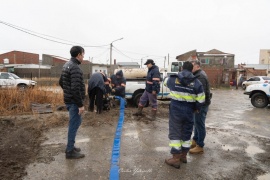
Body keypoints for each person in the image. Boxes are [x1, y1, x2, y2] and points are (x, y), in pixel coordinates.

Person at [164, 61, 205, 169]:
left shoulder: (173, 79)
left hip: (176, 111)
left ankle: (175, 158)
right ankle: (183, 156)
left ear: (182, 68)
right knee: (186, 133)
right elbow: (201, 100)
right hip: (189, 111)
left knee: (175, 133)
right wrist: (196, 108)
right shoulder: (197, 83)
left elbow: (164, 82)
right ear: (192, 70)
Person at [59, 46, 86, 159]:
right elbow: (75, 88)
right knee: (74, 125)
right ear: (79, 55)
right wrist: (80, 105)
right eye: (83, 54)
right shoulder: (75, 68)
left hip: (70, 100)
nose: (83, 56)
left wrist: (67, 93)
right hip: (74, 102)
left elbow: (61, 82)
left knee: (76, 123)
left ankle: (71, 146)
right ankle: (70, 151)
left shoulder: (67, 65)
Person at [189, 60, 211, 154]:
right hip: (199, 104)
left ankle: (200, 145)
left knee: (200, 124)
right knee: (196, 123)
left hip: (201, 105)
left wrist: (197, 106)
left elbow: (201, 94)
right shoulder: (198, 75)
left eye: (192, 66)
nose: (191, 68)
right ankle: (195, 140)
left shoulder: (200, 76)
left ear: (197, 66)